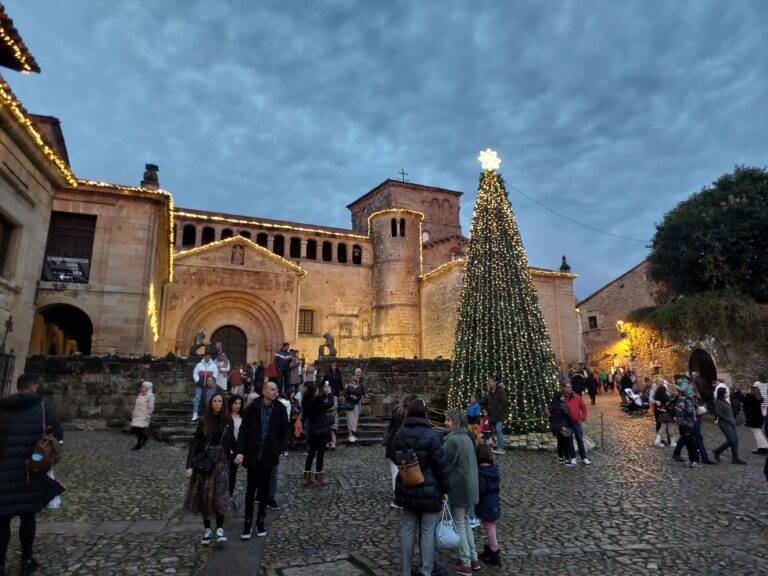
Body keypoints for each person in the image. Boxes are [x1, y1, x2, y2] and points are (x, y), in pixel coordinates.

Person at [0, 374, 64, 576]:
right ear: (34, 386)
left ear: (18, 387)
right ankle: (26, 560)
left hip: (4, 471)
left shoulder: (2, 408)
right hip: (32, 470)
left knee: (2, 520)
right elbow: (57, 441)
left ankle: (0, 564)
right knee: (28, 518)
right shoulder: (45, 410)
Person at [393, 398, 449, 576]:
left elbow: (397, 459)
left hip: (408, 487)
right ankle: (426, 571)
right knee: (427, 531)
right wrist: (445, 489)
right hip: (430, 489)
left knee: (408, 529)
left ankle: (406, 571)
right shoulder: (433, 435)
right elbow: (441, 466)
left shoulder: (399, 434)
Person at [234, 381, 289, 540]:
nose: (275, 392)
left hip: (269, 455)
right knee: (251, 490)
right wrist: (240, 451)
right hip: (253, 454)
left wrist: (278, 448)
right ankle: (247, 521)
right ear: (264, 391)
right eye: (272, 389)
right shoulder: (252, 409)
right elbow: (243, 432)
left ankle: (260, 521)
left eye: (276, 389)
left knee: (264, 491)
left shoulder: (280, 409)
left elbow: (285, 431)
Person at [184, 391, 234, 544]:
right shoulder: (204, 421)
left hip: (220, 463)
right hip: (204, 461)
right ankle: (207, 529)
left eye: (219, 401)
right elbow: (195, 443)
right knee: (205, 496)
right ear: (211, 403)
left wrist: (237, 454)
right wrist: (189, 465)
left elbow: (231, 442)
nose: (217, 404)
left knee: (219, 495)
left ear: (223, 403)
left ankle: (219, 528)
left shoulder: (227, 421)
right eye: (214, 401)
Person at [444, 409, 480, 575]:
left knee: (460, 523)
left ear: (456, 423)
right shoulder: (466, 437)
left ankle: (466, 563)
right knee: (465, 522)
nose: (446, 423)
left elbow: (445, 465)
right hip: (470, 486)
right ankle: (473, 558)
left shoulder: (453, 441)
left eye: (449, 420)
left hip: (459, 487)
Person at [385, 394, 418, 507]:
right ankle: (402, 497)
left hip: (393, 443)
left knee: (396, 472)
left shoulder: (397, 410)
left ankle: (397, 498)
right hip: (402, 443)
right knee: (405, 471)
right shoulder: (408, 414)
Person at [301, 381, 334, 486]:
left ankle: (307, 476)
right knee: (320, 454)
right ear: (315, 391)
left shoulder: (306, 401)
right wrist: (329, 393)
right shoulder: (316, 401)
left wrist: (325, 394)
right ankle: (319, 476)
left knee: (311, 453)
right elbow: (330, 404)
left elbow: (320, 400)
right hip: (320, 430)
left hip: (311, 429)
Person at [474, 444, 501, 567]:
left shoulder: (481, 472)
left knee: (490, 528)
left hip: (486, 503)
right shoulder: (494, 469)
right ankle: (492, 549)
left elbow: (481, 488)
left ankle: (494, 552)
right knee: (490, 527)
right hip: (493, 502)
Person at [712, 387, 747, 465]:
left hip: (731, 423)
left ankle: (735, 458)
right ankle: (717, 451)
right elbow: (718, 413)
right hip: (725, 424)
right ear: (722, 393)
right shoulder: (718, 402)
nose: (727, 393)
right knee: (732, 440)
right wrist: (727, 419)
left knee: (735, 441)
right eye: (726, 392)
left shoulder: (724, 401)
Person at [673, 378, 699, 468]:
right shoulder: (677, 400)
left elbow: (690, 412)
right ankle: (691, 459)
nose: (674, 392)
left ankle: (695, 460)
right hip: (681, 424)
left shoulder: (687, 400)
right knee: (687, 443)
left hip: (688, 425)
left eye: (676, 391)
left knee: (691, 443)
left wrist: (684, 408)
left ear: (680, 392)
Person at [563, 382, 591, 464]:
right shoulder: (562, 399)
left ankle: (584, 457)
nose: (569, 389)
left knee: (579, 439)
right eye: (568, 387)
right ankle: (573, 457)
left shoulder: (577, 397)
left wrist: (583, 418)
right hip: (567, 423)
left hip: (576, 422)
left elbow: (583, 407)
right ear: (564, 389)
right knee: (569, 440)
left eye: (570, 387)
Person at [547, 390, 575, 466]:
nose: (564, 397)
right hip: (563, 427)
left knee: (560, 442)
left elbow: (550, 416)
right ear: (559, 397)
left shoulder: (551, 405)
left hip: (555, 427)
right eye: (562, 396)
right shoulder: (562, 405)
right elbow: (567, 414)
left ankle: (560, 458)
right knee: (566, 443)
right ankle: (567, 460)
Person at [228, 395, 244, 510]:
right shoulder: (226, 417)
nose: (238, 405)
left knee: (232, 475)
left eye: (239, 403)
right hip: (226, 449)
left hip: (237, 449)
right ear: (231, 404)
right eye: (236, 403)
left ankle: (230, 497)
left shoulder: (242, 417)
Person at [192, 353, 218, 421]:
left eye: (209, 357)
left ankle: (208, 414)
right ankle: (195, 413)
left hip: (209, 385)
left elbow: (215, 374)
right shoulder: (199, 364)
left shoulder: (213, 365)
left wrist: (211, 381)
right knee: (197, 398)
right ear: (204, 357)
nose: (207, 358)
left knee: (208, 399)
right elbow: (195, 373)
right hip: (199, 384)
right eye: (206, 357)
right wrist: (197, 380)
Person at [743, 386, 768, 454]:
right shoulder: (755, 398)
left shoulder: (751, 398)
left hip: (755, 419)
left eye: (748, 389)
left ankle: (763, 448)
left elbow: (744, 401)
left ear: (751, 391)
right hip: (757, 418)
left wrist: (745, 394)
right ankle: (762, 448)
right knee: (758, 434)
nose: (747, 390)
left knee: (758, 434)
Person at [130, 381, 155, 451]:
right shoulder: (140, 394)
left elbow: (151, 406)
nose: (142, 388)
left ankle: (138, 445)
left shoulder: (151, 395)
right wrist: (133, 412)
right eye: (142, 386)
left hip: (144, 415)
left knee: (140, 430)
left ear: (147, 388)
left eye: (143, 387)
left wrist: (149, 414)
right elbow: (136, 405)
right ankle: (145, 437)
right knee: (134, 429)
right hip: (137, 414)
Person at [486, 377, 508, 455]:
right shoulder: (489, 393)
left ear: (495, 382)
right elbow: (486, 402)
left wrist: (498, 411)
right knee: (494, 431)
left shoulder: (500, 391)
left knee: (498, 430)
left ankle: (501, 448)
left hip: (499, 415)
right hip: (492, 416)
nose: (489, 383)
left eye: (491, 382)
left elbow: (504, 402)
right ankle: (494, 446)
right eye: (489, 382)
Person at [344, 368, 365, 443]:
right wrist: (350, 397)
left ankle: (352, 434)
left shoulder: (357, 387)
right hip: (350, 405)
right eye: (353, 381)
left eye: (355, 381)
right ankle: (349, 435)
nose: (355, 382)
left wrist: (357, 397)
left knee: (355, 419)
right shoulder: (347, 387)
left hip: (356, 404)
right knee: (350, 420)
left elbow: (360, 394)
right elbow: (345, 394)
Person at [651, 377, 673, 447]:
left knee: (663, 426)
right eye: (662, 381)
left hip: (662, 410)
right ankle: (672, 442)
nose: (663, 382)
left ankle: (658, 441)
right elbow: (665, 399)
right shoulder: (661, 389)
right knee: (669, 426)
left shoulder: (658, 389)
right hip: (666, 410)